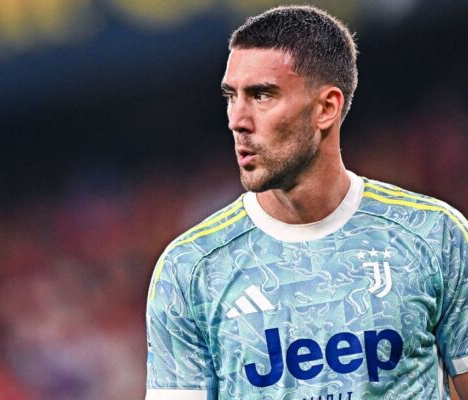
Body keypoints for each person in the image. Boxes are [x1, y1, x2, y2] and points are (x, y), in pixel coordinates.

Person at [145, 5, 468, 400]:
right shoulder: (190, 269)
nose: (237, 120)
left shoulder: (434, 236)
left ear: (326, 108)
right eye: (232, 97)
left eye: (261, 95)